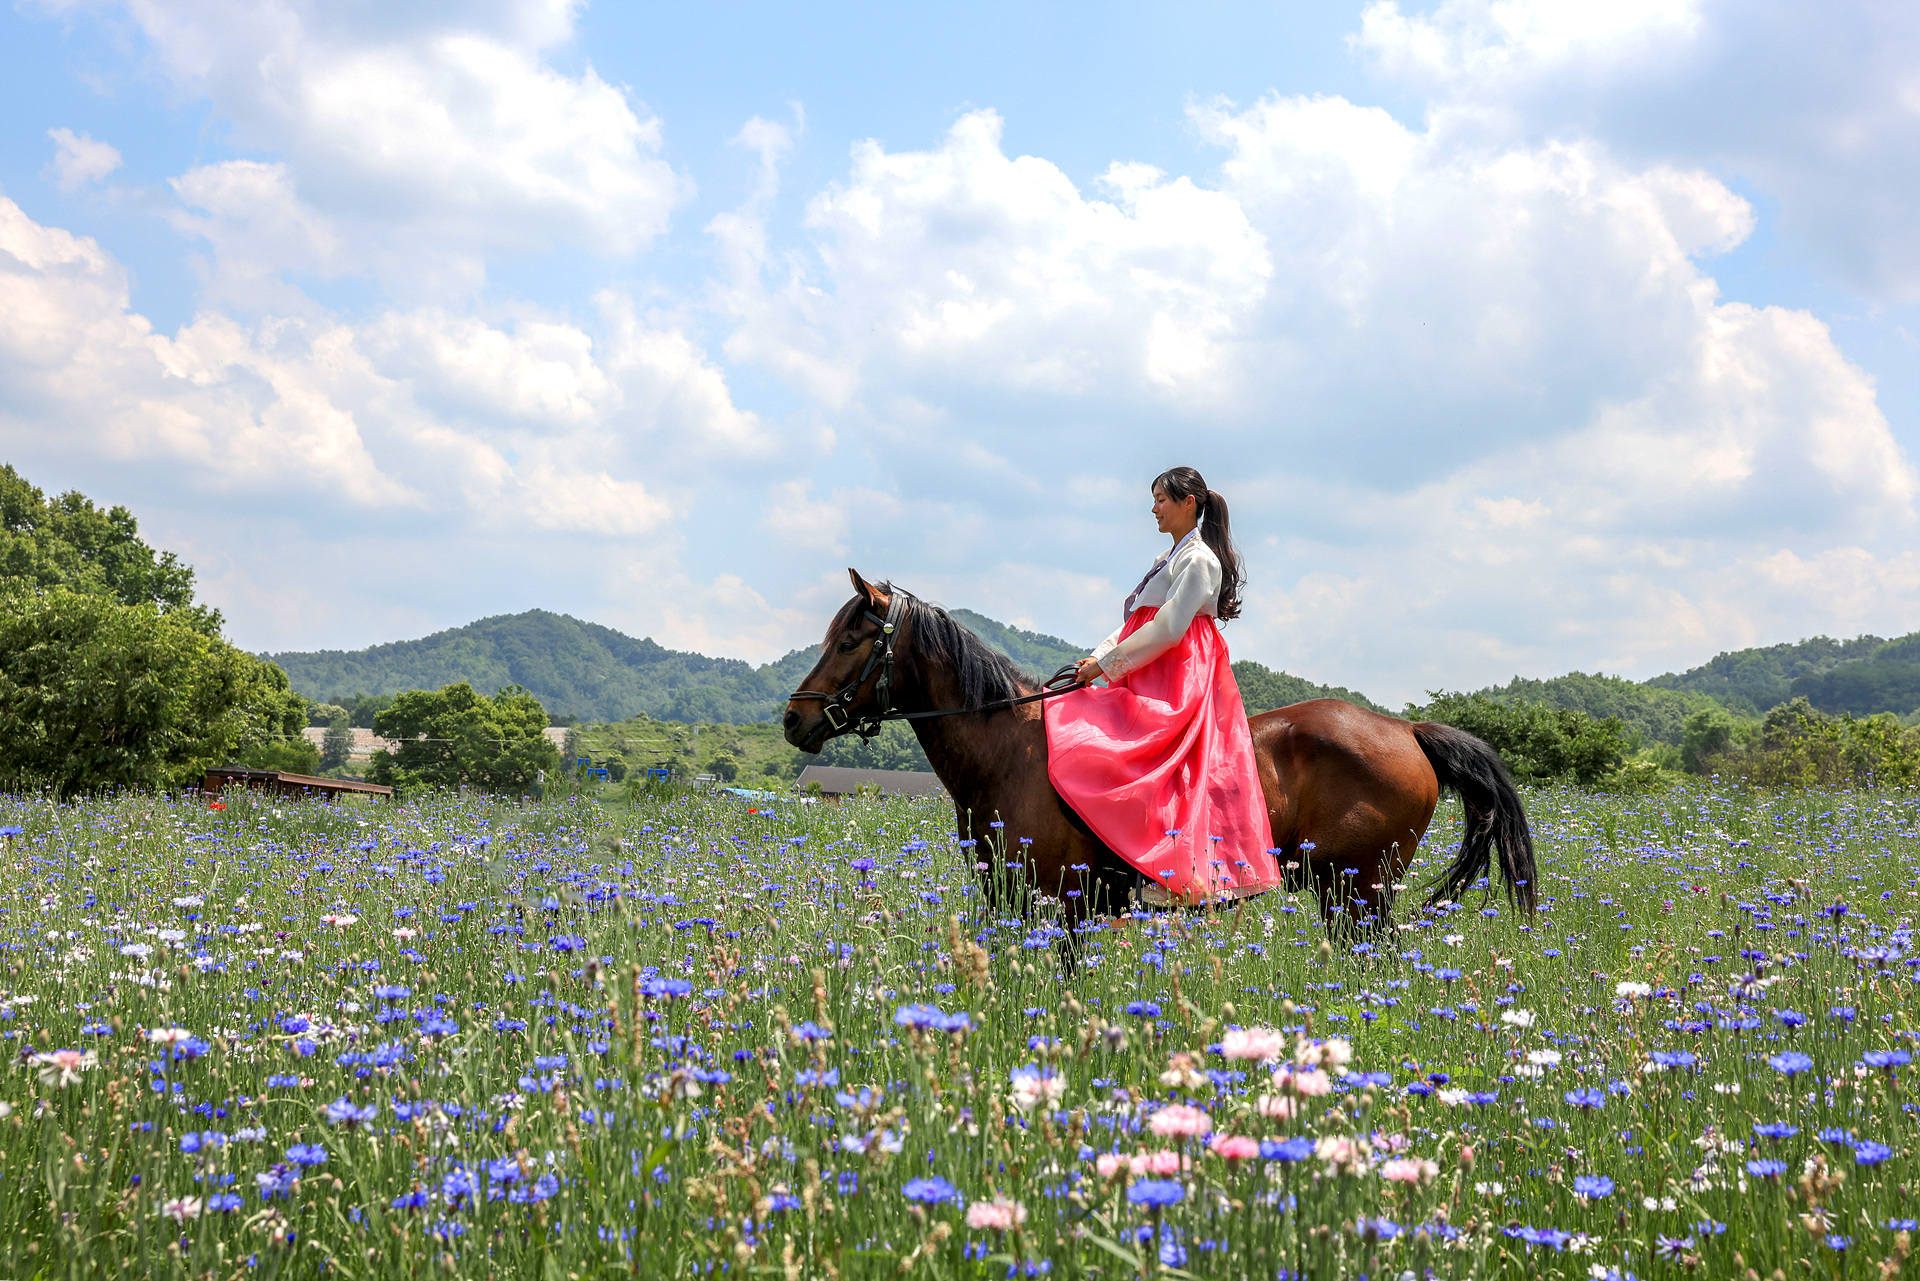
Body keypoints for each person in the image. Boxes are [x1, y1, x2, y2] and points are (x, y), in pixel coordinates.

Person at [1045, 466, 1280, 905]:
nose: (1154, 509)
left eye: (1161, 500)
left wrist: (1107, 665)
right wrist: (1099, 657)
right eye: (1153, 500)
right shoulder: (1169, 557)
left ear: (1188, 503)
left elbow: (1169, 628)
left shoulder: (1199, 559)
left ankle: (1171, 874)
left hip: (1176, 669)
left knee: (1162, 761)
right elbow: (1137, 622)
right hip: (1150, 663)